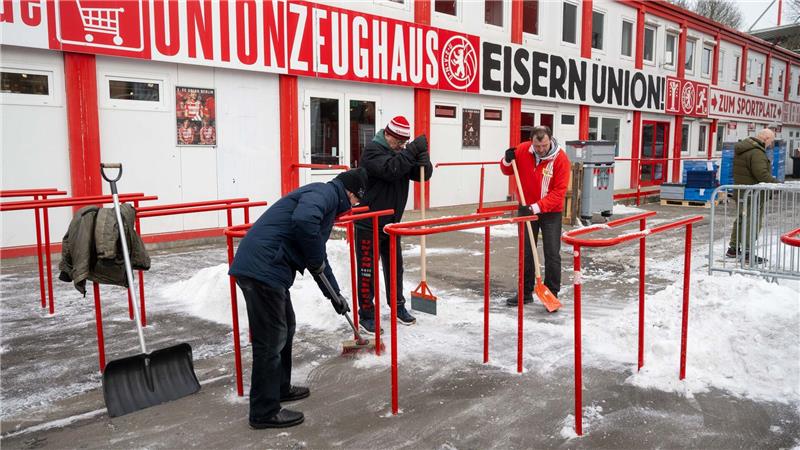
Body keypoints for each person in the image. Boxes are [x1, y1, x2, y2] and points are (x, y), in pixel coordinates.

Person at [228, 169, 367, 429]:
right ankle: (263, 411)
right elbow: (304, 223)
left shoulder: (325, 200)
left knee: (286, 326)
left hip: (270, 269)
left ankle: (279, 388)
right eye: (355, 202)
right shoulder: (324, 193)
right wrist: (314, 259)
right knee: (271, 339)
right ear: (350, 193)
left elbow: (318, 257)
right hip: (262, 268)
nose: (351, 208)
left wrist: (334, 295)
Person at [355, 115, 432, 333]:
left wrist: (423, 159)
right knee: (367, 270)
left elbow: (421, 175)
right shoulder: (372, 151)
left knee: (395, 269)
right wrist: (411, 151)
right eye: (398, 141)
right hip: (368, 223)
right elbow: (391, 170)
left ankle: (398, 306)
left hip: (391, 224)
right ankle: (367, 314)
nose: (401, 146)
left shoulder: (401, 154)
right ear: (387, 134)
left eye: (404, 143)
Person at [499, 125, 570, 305]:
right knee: (527, 252)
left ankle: (551, 292)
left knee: (552, 252)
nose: (540, 150)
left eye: (544, 146)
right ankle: (525, 292)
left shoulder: (561, 159)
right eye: (537, 146)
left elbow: (558, 193)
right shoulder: (523, 149)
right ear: (532, 142)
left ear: (550, 140)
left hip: (550, 212)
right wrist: (507, 160)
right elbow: (507, 170)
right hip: (525, 207)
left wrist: (537, 207)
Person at [727, 128, 778, 263]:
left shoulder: (745, 148)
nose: (770, 145)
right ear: (766, 139)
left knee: (741, 219)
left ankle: (733, 248)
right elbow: (761, 174)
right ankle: (748, 253)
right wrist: (776, 184)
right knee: (752, 221)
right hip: (753, 194)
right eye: (771, 141)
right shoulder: (757, 153)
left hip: (742, 192)